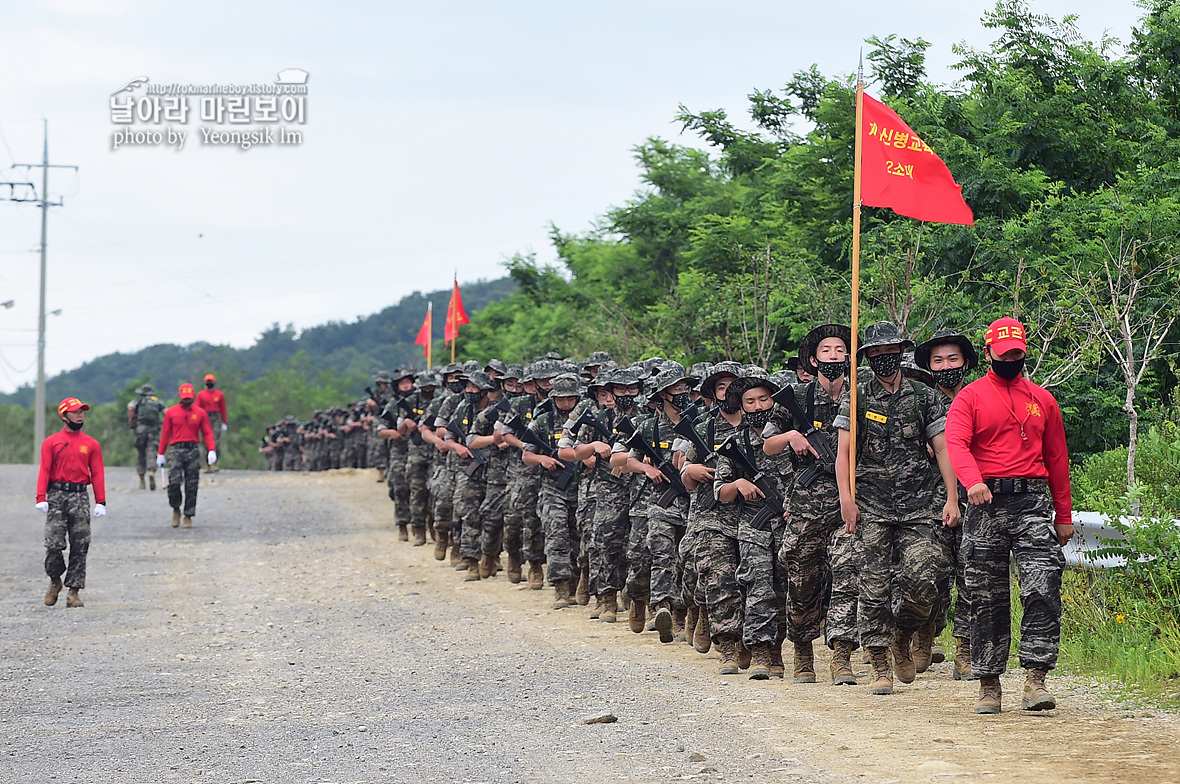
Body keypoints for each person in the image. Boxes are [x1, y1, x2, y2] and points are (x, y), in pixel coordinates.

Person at [944, 317, 1072, 715]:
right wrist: (972, 482)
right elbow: (956, 443)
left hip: (1032, 501)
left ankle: (1036, 678)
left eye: (1017, 354)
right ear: (989, 353)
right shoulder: (971, 397)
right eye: (1004, 354)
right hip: (986, 503)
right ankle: (988, 681)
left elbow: (1057, 458)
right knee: (986, 595)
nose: (1011, 360)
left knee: (1043, 583)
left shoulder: (1043, 399)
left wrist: (1063, 514)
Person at [834, 321, 959, 695]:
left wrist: (951, 497)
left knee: (926, 578)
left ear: (901, 354)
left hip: (919, 505)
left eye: (890, 352)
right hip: (870, 504)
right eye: (876, 353)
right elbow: (843, 453)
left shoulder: (924, 396)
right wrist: (846, 499)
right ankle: (877, 661)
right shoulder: (856, 397)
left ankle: (903, 634)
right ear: (868, 357)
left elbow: (941, 449)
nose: (884, 359)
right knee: (872, 587)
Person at [764, 324, 861, 686]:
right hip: (806, 507)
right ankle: (803, 650)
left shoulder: (858, 395)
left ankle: (842, 653)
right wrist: (792, 435)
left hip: (848, 503)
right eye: (827, 350)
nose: (834, 355)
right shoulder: (799, 398)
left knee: (848, 576)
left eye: (840, 349)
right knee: (803, 582)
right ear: (813, 358)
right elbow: (767, 444)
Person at [915, 328, 980, 680]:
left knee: (971, 575)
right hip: (927, 501)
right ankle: (923, 633)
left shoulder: (979, 397)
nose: (945, 366)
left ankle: (965, 650)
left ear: (966, 362)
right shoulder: (919, 401)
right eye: (937, 361)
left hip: (975, 498)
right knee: (930, 575)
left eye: (952, 359)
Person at [35, 397, 106, 608]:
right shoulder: (51, 442)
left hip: (80, 496)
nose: (80, 415)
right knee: (54, 544)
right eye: (75, 412)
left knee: (81, 544)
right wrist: (41, 497)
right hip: (57, 495)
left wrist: (101, 501)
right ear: (64, 416)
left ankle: (73, 591)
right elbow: (45, 470)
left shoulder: (91, 444)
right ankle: (55, 580)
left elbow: (98, 473)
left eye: (82, 412)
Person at [158, 382, 216, 528]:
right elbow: (165, 433)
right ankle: (176, 508)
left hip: (193, 450)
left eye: (189, 398)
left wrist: (211, 449)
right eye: (184, 398)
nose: (187, 401)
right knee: (174, 483)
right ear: (180, 396)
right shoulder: (171, 412)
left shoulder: (200, 413)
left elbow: (207, 432)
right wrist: (161, 453)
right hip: (176, 450)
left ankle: (188, 514)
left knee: (192, 484)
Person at [127, 383, 165, 490]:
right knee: (152, 451)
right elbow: (166, 412)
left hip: (141, 430)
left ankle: (142, 481)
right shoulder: (157, 402)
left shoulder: (137, 401)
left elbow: (130, 408)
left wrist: (131, 422)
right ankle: (152, 472)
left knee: (141, 454)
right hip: (153, 430)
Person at [195, 374, 228, 471]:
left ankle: (214, 463)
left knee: (215, 441)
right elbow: (197, 408)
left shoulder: (219, 394)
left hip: (216, 418)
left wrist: (224, 422)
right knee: (205, 441)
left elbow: (223, 409)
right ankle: (207, 464)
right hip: (205, 417)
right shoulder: (201, 394)